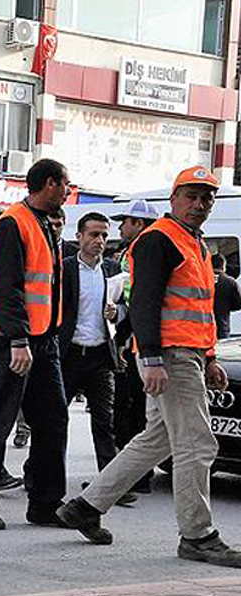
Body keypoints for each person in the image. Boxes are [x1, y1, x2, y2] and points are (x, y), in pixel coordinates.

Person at [58, 166, 241, 568]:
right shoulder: (159, 239)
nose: (199, 204)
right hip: (170, 357)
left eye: (206, 197)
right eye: (191, 196)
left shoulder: (195, 243)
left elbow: (195, 309)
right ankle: (198, 535)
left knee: (157, 438)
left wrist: (209, 358)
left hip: (186, 354)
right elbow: (143, 303)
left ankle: (87, 506)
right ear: (173, 200)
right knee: (197, 444)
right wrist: (152, 358)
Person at [0, 159, 72, 530]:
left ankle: (44, 503)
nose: (68, 192)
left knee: (53, 420)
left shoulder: (43, 223)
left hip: (42, 340)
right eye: (65, 184)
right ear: (50, 183)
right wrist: (18, 339)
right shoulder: (13, 223)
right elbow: (5, 288)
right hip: (9, 340)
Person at [59, 211, 131, 506]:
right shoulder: (64, 269)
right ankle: (41, 478)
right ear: (79, 237)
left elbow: (127, 306)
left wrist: (118, 313)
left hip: (100, 356)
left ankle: (110, 487)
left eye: (103, 235)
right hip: (69, 354)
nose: (99, 240)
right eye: (93, 234)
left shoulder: (112, 269)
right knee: (54, 420)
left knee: (105, 422)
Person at [110, 198, 159, 494]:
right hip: (140, 341)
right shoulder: (139, 251)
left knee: (130, 411)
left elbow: (133, 299)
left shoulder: (137, 253)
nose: (120, 227)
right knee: (140, 412)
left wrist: (121, 338)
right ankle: (137, 477)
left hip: (134, 342)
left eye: (125, 222)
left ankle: (132, 478)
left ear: (139, 224)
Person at [212, 253, 240, 338]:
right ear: (223, 265)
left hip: (204, 328)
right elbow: (238, 304)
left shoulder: (202, 280)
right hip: (222, 326)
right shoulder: (229, 282)